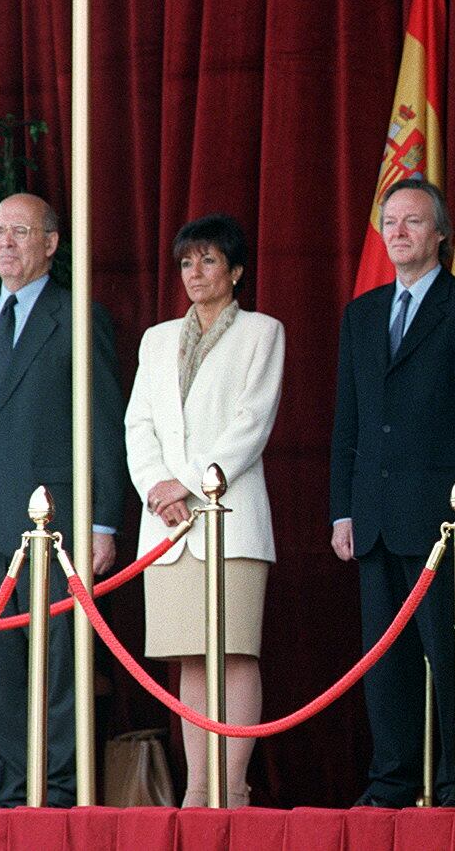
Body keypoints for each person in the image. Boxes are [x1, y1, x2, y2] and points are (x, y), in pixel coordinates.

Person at [329, 178, 455, 807]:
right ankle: (393, 783)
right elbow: (348, 422)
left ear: (440, 234)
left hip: (446, 524)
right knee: (385, 666)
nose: (399, 232)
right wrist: (343, 509)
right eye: (391, 222)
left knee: (450, 656)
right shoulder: (362, 313)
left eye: (413, 221)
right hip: (376, 518)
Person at [0, 192, 126, 807]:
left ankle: (54, 797)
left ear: (50, 243)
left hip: (53, 529)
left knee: (57, 671)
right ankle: (12, 799)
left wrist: (103, 521)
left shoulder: (78, 316)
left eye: (20, 231)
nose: (5, 242)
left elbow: (103, 424)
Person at [124, 213, 284, 808]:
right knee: (190, 654)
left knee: (235, 651)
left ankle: (234, 787)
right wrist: (155, 485)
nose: (195, 272)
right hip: (165, 524)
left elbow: (251, 427)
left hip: (230, 518)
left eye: (209, 260)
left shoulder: (262, 332)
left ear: (236, 271)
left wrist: (184, 486)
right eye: (187, 262)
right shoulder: (157, 338)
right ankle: (197, 789)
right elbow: (138, 423)